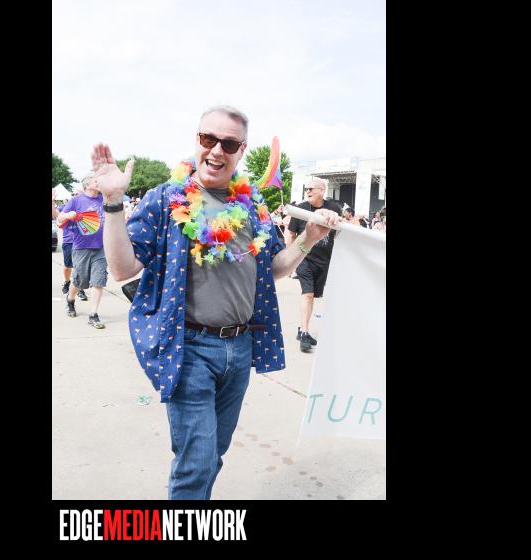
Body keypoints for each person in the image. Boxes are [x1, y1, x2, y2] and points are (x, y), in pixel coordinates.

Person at [91, 105, 339, 499]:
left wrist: (309, 238)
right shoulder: (166, 198)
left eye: (229, 143)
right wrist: (114, 202)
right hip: (188, 348)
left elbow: (273, 267)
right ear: (197, 140)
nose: (217, 151)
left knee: (212, 456)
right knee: (197, 461)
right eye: (209, 139)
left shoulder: (252, 205)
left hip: (240, 348)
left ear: (242, 149)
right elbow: (122, 269)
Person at [286, 178, 342, 352]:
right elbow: (291, 233)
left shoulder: (334, 208)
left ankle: (302, 327)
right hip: (304, 259)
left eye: (311, 189)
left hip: (324, 261)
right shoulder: (301, 209)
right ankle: (304, 332)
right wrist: (290, 259)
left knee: (313, 296)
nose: (307, 191)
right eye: (306, 189)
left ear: (322, 191)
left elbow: (340, 233)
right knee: (308, 294)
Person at [54, 173, 108, 329]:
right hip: (81, 247)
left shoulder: (103, 199)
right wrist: (67, 215)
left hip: (100, 248)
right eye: (96, 181)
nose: (99, 183)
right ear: (87, 185)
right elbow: (59, 219)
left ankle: (93, 315)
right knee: (80, 281)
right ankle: (70, 300)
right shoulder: (76, 200)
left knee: (98, 281)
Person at [56, 186, 88, 301]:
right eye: (74, 194)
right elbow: (56, 217)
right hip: (68, 241)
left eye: (77, 194)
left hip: (82, 242)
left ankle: (80, 289)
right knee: (68, 266)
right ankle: (67, 282)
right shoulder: (65, 207)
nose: (75, 196)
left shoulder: (87, 207)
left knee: (79, 266)